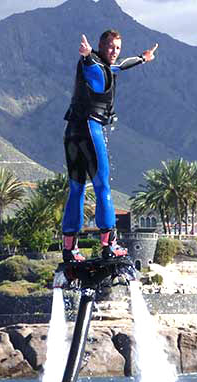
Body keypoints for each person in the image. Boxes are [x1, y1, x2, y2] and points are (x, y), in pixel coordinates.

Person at [61, 30, 158, 262]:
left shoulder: (107, 65)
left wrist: (143, 58)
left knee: (77, 189)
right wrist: (86, 55)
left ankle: (70, 248)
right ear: (101, 46)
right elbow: (92, 66)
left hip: (72, 131)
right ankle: (109, 244)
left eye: (118, 48)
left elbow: (120, 66)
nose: (115, 52)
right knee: (102, 185)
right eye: (111, 47)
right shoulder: (93, 63)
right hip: (89, 128)